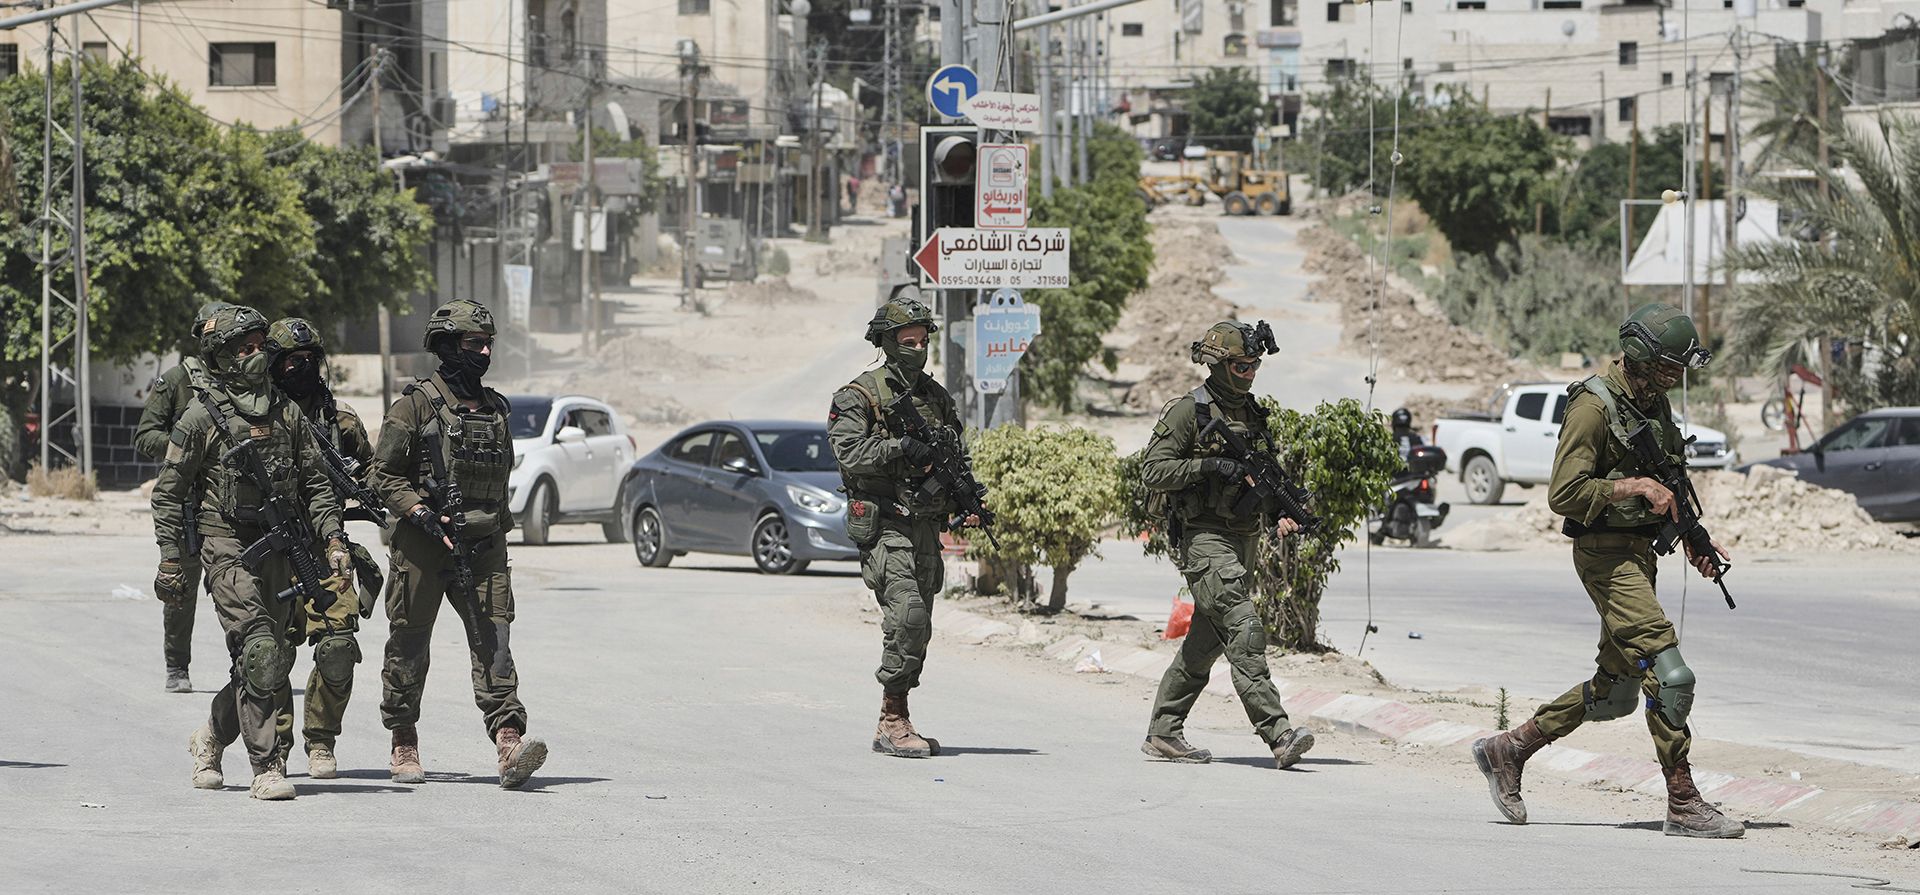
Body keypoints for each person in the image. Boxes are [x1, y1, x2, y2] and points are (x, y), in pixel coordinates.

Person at [1472, 303, 1742, 839]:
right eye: (1670, 365)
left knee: (1615, 692)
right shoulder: (1593, 408)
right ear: (1640, 355)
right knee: (1671, 675)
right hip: (1604, 555)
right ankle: (1683, 801)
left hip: (1640, 552)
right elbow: (1564, 495)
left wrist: (1694, 537)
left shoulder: (1654, 402)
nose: (1677, 377)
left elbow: (1669, 477)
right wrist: (1634, 488)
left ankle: (1511, 747)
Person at [153, 304, 351, 801]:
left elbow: (318, 485)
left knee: (272, 659)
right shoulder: (200, 418)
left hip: (281, 543)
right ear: (221, 357)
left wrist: (332, 539)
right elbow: (168, 492)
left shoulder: (287, 412)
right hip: (226, 543)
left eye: (260, 345)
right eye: (244, 348)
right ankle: (266, 766)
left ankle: (211, 737)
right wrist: (171, 558)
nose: (256, 355)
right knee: (259, 647)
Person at [368, 299, 548, 788]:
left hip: (484, 545)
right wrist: (420, 511)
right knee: (409, 643)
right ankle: (403, 739)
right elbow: (382, 475)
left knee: (494, 642)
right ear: (446, 347)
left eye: (488, 344)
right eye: (474, 344)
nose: (485, 352)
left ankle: (509, 741)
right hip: (426, 545)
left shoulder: (496, 408)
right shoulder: (414, 405)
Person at [1138, 321, 1315, 769]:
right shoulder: (1187, 411)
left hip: (1244, 537)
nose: (1250, 373)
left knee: (1206, 641)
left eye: (1254, 365)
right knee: (1244, 628)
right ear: (1217, 365)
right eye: (1240, 365)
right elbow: (1153, 471)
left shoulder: (1253, 413)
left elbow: (1263, 477)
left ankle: (1163, 731)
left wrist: (1281, 512)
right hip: (1203, 536)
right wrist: (1209, 466)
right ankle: (1278, 733)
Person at [827, 293, 980, 759]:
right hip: (884, 522)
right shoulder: (858, 396)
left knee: (920, 627)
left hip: (926, 525)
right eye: (907, 341)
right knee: (907, 613)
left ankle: (893, 711)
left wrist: (962, 497)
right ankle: (895, 720)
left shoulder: (937, 398)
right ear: (887, 343)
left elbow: (956, 455)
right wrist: (899, 449)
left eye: (922, 340)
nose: (916, 348)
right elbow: (848, 453)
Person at [266, 317, 384, 780]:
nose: (299, 368)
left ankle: (320, 740)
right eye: (289, 361)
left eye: (307, 361)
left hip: (326, 548)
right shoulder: (258, 420)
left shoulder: (340, 422)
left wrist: (367, 484)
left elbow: (374, 474)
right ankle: (273, 746)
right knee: (271, 655)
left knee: (338, 647)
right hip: (271, 549)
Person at [135, 300, 230, 693]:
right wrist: (187, 445)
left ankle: (248, 664)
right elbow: (144, 436)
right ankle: (177, 666)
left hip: (228, 501)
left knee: (240, 588)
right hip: (186, 502)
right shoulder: (177, 380)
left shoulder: (246, 382)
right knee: (180, 589)